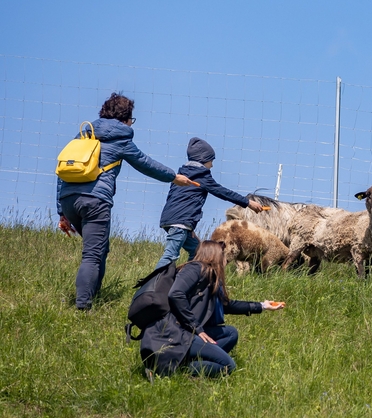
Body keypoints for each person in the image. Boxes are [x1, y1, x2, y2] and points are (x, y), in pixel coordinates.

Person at [57, 92, 196, 310]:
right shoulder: (121, 138)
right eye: (132, 119)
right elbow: (145, 163)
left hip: (68, 199)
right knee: (93, 254)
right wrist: (173, 177)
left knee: (100, 250)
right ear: (125, 119)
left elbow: (62, 170)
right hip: (95, 201)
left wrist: (61, 211)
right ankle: (83, 307)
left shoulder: (83, 135)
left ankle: (93, 295)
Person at [140, 240, 284, 377]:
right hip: (175, 334)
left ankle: (190, 360)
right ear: (213, 255)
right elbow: (176, 294)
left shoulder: (209, 276)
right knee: (228, 366)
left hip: (187, 331)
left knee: (231, 333)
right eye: (223, 255)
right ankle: (175, 367)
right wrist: (197, 328)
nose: (225, 260)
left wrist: (262, 305)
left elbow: (226, 305)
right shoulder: (195, 268)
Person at [154, 137, 263, 269]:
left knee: (197, 252)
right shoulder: (202, 176)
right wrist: (247, 202)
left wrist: (190, 227)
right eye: (211, 160)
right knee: (170, 255)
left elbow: (176, 199)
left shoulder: (181, 175)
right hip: (180, 222)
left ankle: (185, 279)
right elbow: (223, 192)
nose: (212, 165)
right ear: (204, 159)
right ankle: (154, 284)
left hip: (172, 219)